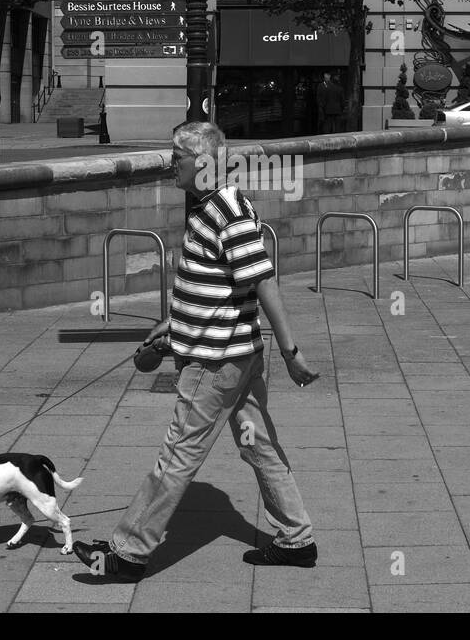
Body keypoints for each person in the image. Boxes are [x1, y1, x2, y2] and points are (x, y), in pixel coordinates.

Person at [73, 121, 320, 581]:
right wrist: (174, 321)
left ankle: (127, 552)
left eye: (178, 156)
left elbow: (262, 281)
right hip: (234, 355)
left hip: (214, 362)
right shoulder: (219, 203)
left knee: (177, 455)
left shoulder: (223, 209)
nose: (171, 164)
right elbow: (220, 285)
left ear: (203, 161)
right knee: (260, 447)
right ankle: (297, 540)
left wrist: (292, 352)